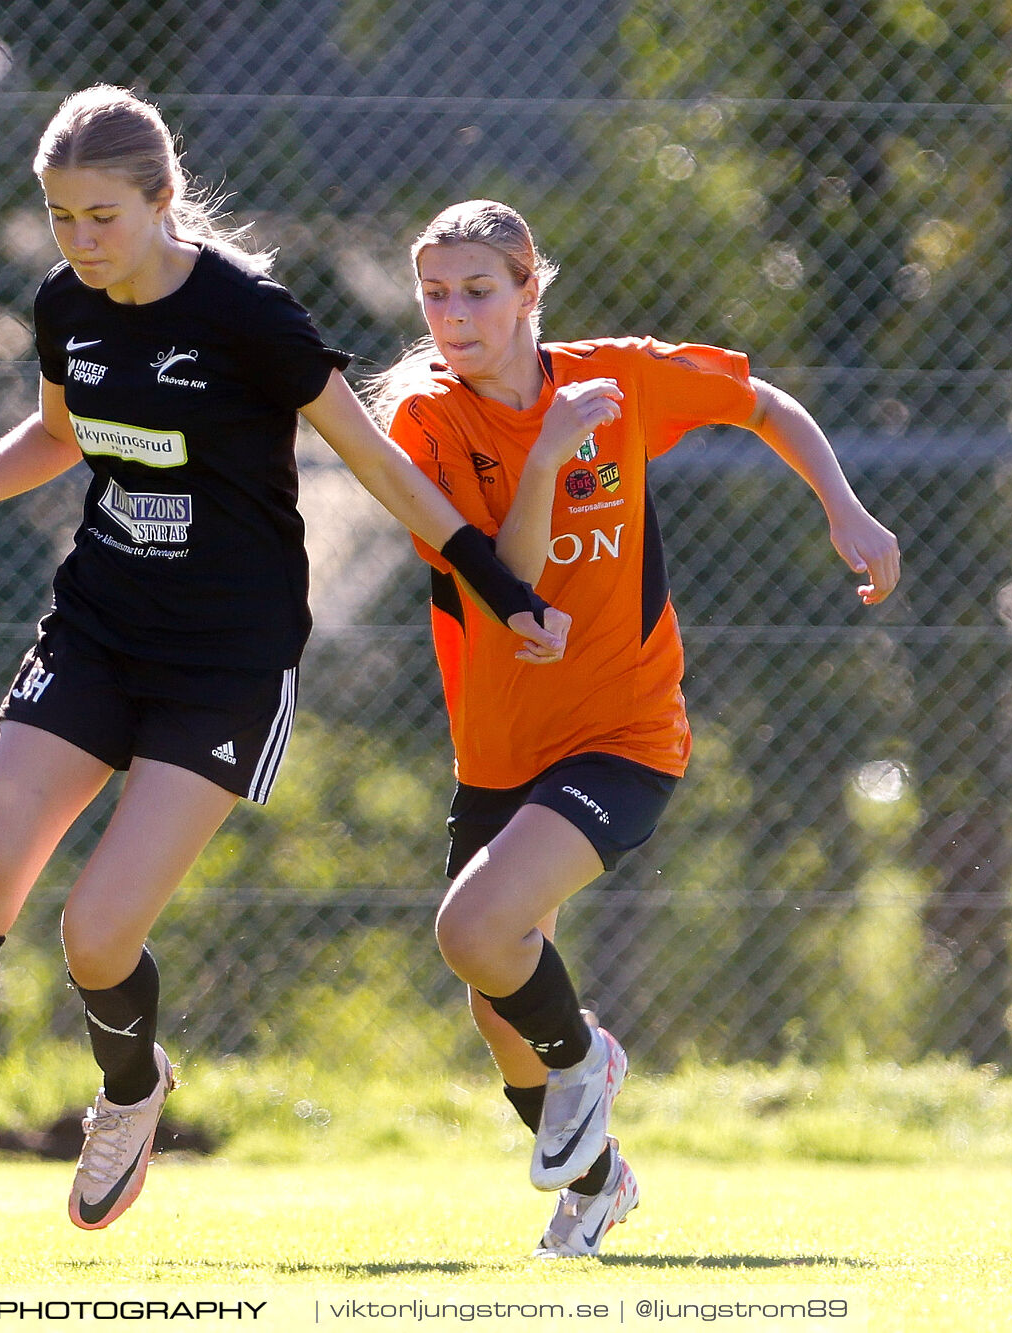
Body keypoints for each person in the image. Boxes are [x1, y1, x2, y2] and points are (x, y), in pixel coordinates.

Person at [0, 95, 566, 1260]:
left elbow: (375, 463)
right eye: (59, 216)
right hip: (95, 630)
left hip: (223, 665)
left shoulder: (244, 314)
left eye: (103, 216)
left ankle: (129, 1085)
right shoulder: (66, 304)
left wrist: (500, 584)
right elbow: (60, 434)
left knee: (92, 936)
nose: (81, 240)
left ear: (162, 200)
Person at [373, 199, 901, 1258]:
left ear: (531, 291)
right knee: (496, 1003)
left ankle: (586, 1060)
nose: (453, 314)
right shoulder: (421, 423)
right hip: (496, 750)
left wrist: (842, 504)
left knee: (472, 931)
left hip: (623, 731)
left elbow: (761, 404)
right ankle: (599, 1180)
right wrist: (543, 458)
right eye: (435, 293)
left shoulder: (614, 379)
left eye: (478, 290)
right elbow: (504, 583)